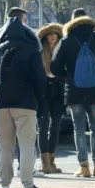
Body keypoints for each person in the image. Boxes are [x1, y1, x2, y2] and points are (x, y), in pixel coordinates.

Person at [0, 15, 49, 188]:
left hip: (1, 105)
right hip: (26, 105)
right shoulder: (31, 50)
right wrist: (40, 100)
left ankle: (3, 187)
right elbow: (40, 79)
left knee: (5, 147)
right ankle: (27, 186)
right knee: (27, 146)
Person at [51, 9, 95, 177]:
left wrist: (68, 77)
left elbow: (55, 67)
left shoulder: (66, 41)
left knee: (78, 127)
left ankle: (83, 166)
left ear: (72, 22)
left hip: (74, 91)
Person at [36, 23, 65, 174]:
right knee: (43, 126)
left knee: (55, 126)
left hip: (58, 91)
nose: (53, 36)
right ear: (45, 36)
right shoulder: (40, 51)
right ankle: (44, 162)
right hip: (43, 90)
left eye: (55, 34)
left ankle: (52, 161)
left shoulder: (62, 50)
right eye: (50, 34)